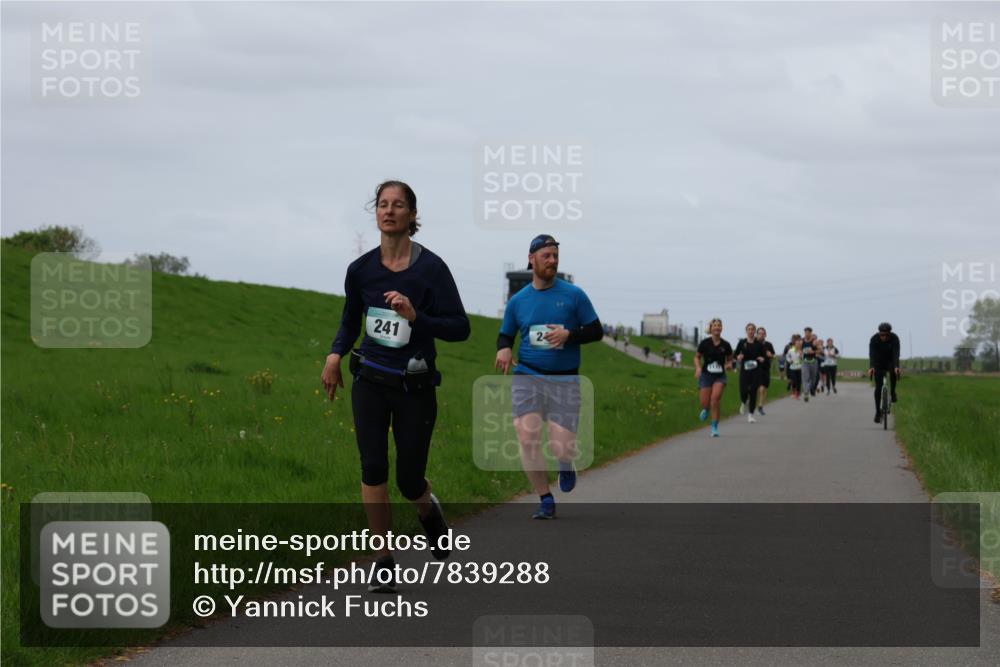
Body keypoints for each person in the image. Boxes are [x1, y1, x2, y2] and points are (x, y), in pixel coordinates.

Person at [322, 180, 471, 592]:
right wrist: (336, 354)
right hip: (369, 378)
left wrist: (416, 315)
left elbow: (461, 328)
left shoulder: (432, 269)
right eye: (382, 205)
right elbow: (351, 319)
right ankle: (383, 560)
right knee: (372, 467)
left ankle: (428, 510)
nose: (389, 211)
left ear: (412, 215)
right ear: (376, 213)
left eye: (398, 205)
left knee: (408, 479)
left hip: (415, 387)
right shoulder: (361, 270)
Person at [496, 235, 602, 520]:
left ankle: (565, 462)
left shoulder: (574, 295)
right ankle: (545, 499)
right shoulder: (518, 301)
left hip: (565, 380)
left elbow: (596, 330)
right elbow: (506, 333)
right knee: (527, 436)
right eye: (547, 256)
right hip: (527, 376)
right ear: (532, 259)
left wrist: (570, 334)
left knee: (561, 444)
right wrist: (504, 349)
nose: (553, 261)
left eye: (556, 256)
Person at [694, 318, 734, 437]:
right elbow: (697, 357)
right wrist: (698, 368)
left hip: (720, 376)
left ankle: (714, 428)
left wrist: (729, 364)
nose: (717, 327)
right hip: (706, 375)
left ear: (721, 328)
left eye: (719, 325)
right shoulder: (705, 343)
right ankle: (706, 409)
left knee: (715, 400)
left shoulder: (726, 345)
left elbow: (730, 359)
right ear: (711, 329)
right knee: (705, 403)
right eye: (715, 325)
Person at [868, 322, 902, 423]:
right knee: (878, 387)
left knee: (893, 372)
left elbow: (896, 353)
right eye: (881, 335)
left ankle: (892, 392)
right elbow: (872, 354)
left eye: (885, 335)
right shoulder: (874, 339)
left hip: (890, 361)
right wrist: (871, 367)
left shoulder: (895, 338)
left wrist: (896, 366)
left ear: (889, 334)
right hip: (878, 362)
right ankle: (878, 412)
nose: (883, 337)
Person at [734, 322, 766, 423]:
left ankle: (751, 414)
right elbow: (735, 354)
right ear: (746, 331)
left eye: (752, 329)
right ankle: (744, 402)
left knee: (753, 392)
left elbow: (764, 356)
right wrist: (738, 357)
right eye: (749, 329)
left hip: (756, 371)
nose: (751, 331)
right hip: (744, 370)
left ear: (755, 331)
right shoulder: (742, 343)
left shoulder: (759, 344)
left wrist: (762, 358)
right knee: (743, 391)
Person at [755, 326, 776, 415]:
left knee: (763, 388)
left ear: (765, 335)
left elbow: (773, 355)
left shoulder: (769, 345)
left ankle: (760, 406)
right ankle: (752, 402)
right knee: (756, 388)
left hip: (765, 368)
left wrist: (770, 355)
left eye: (763, 334)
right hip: (755, 368)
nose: (761, 335)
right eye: (759, 333)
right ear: (757, 334)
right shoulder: (754, 344)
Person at [800, 327, 820, 401]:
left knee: (813, 379)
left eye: (808, 333)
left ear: (811, 333)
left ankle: (811, 388)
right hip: (805, 362)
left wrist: (813, 352)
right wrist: (800, 354)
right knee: (805, 378)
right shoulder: (802, 341)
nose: (807, 334)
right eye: (806, 332)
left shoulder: (815, 341)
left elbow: (820, 350)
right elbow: (799, 349)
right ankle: (806, 393)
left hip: (813, 362)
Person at [785, 335, 803, 399]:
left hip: (799, 368)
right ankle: (793, 392)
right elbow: (787, 357)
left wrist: (801, 356)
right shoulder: (791, 350)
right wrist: (789, 361)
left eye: (800, 344)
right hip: (792, 368)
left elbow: (802, 359)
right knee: (794, 380)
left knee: (799, 381)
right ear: (795, 343)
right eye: (797, 343)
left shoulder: (801, 351)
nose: (798, 345)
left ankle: (797, 394)